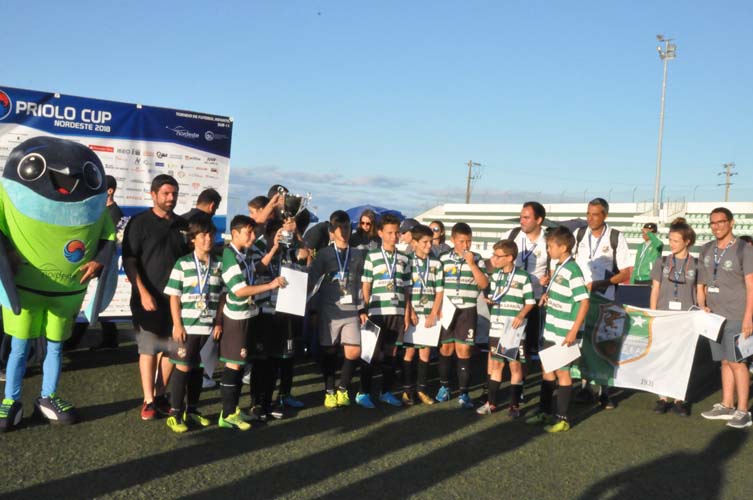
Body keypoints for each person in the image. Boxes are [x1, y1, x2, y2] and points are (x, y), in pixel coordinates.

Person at [122, 174, 188, 421]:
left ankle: (160, 395)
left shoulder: (182, 225)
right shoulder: (139, 223)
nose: (171, 198)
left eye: (174, 194)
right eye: (166, 193)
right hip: (147, 298)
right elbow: (129, 261)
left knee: (173, 348)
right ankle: (148, 400)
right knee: (149, 348)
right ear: (153, 194)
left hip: (175, 300)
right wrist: (143, 292)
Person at [217, 215, 286, 430]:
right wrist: (270, 286)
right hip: (236, 316)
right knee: (234, 364)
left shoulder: (242, 253)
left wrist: (273, 250)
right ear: (235, 233)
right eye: (248, 232)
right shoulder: (229, 255)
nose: (253, 237)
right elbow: (240, 290)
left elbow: (255, 270)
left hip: (247, 314)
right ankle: (227, 413)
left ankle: (232, 411)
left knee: (239, 364)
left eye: (254, 232)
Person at [162, 218, 224, 433]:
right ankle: (175, 413)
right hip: (187, 327)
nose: (208, 239)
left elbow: (222, 296)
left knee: (199, 368)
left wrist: (218, 322)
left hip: (208, 327)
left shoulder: (218, 264)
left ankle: (193, 410)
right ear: (193, 239)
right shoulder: (183, 263)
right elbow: (174, 297)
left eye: (211, 235)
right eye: (203, 235)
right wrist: (177, 325)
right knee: (183, 368)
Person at [526, 226, 589, 432]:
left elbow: (584, 301)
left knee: (563, 373)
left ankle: (562, 418)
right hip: (551, 329)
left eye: (551, 246)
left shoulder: (573, 270)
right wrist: (547, 295)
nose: (548, 250)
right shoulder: (560, 266)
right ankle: (545, 411)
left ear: (563, 248)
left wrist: (573, 331)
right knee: (547, 370)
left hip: (564, 332)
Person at [572, 198, 631, 409]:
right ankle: (585, 387)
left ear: (605, 215)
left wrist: (602, 284)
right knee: (583, 342)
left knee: (604, 342)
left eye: (595, 214)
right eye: (588, 213)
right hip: (581, 297)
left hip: (606, 298)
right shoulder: (579, 234)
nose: (590, 218)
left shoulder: (616, 237)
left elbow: (626, 272)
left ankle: (605, 391)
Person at [698, 207, 753, 429]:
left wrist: (749, 318)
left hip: (737, 315)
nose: (716, 226)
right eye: (713, 222)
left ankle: (743, 411)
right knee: (724, 361)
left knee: (737, 362)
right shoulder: (706, 249)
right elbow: (701, 284)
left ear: (731, 223)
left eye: (721, 222)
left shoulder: (744, 249)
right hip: (715, 318)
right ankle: (727, 404)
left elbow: (751, 286)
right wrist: (702, 305)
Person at [308, 210, 366, 408]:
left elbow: (361, 283)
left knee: (354, 351)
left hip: (351, 309)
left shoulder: (357, 254)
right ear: (332, 231)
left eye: (347, 227)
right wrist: (313, 310)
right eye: (340, 228)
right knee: (329, 352)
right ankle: (329, 391)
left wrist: (362, 308)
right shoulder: (324, 254)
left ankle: (343, 389)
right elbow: (313, 283)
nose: (344, 231)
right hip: (329, 310)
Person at [65, 175, 126, 351]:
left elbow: (111, 240)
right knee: (94, 299)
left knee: (94, 300)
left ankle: (73, 340)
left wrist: (100, 258)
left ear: (110, 191)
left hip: (103, 261)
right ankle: (109, 338)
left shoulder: (114, 213)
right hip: (93, 258)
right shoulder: (99, 210)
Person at [476, 239, 535, 417]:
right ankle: (491, 403)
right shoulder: (496, 275)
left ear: (509, 257)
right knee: (496, 365)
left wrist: (520, 315)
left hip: (513, 329)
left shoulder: (523, 276)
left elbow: (530, 302)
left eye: (498, 256)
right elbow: (496, 296)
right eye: (494, 255)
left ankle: (514, 405)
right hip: (496, 327)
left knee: (515, 366)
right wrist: (490, 300)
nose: (494, 259)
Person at [436, 222, 489, 408]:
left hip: (467, 310)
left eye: (469, 241)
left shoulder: (478, 258)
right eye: (461, 241)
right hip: (447, 309)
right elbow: (437, 285)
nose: (466, 245)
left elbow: (484, 284)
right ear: (453, 240)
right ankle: (444, 387)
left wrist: (472, 264)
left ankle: (464, 393)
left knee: (464, 350)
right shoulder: (443, 258)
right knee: (446, 349)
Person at [360, 214, 411, 408]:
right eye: (390, 232)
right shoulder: (372, 256)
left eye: (397, 233)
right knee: (371, 353)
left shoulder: (404, 258)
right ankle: (363, 393)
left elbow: (407, 288)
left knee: (391, 352)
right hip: (377, 311)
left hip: (397, 312)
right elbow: (366, 284)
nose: (394, 236)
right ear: (380, 233)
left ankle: (385, 392)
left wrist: (406, 312)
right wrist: (366, 308)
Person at [648, 218, 697, 417]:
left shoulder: (696, 264)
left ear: (687, 241)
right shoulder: (662, 262)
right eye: (670, 239)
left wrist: (701, 311)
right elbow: (655, 290)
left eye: (676, 240)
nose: (671, 244)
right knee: (663, 357)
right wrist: (653, 314)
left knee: (682, 359)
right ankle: (662, 398)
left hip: (686, 319)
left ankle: (679, 399)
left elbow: (700, 291)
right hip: (664, 316)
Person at [182, 188, 224, 389]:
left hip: (185, 291)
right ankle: (202, 377)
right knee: (199, 346)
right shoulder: (205, 222)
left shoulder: (182, 218)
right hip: (199, 291)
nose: (208, 238)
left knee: (182, 350)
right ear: (213, 206)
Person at [401, 224, 443, 405]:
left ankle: (422, 390)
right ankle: (407, 390)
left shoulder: (436, 263)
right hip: (412, 315)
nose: (429, 245)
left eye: (430, 242)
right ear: (414, 243)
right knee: (409, 353)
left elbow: (439, 291)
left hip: (429, 315)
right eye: (425, 242)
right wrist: (410, 311)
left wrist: (434, 313)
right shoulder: (407, 261)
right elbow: (405, 290)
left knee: (425, 354)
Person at [504, 202, 550, 366]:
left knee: (528, 349)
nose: (521, 221)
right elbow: (497, 260)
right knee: (507, 347)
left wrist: (549, 279)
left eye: (526, 217)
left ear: (539, 220)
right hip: (511, 298)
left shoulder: (548, 240)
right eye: (521, 217)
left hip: (535, 301)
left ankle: (522, 380)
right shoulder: (512, 235)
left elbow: (556, 268)